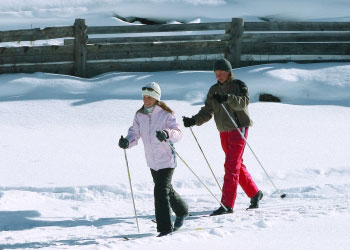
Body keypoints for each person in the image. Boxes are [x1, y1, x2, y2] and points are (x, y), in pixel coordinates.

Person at [182, 58, 263, 216]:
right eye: (216, 73)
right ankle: (254, 193)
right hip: (224, 131)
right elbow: (207, 111)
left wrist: (227, 98)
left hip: (239, 128)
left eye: (221, 73)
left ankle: (227, 205)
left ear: (229, 72)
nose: (218, 76)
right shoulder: (213, 90)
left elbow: (243, 103)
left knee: (231, 165)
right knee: (236, 164)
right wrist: (193, 120)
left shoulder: (238, 85)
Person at [118, 82, 189, 237]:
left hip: (167, 159)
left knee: (160, 191)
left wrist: (166, 133)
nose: (146, 100)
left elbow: (178, 132)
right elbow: (134, 134)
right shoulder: (139, 115)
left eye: (149, 97)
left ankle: (165, 229)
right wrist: (127, 142)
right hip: (152, 161)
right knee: (166, 190)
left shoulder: (165, 114)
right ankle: (182, 211)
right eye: (144, 97)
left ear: (156, 98)